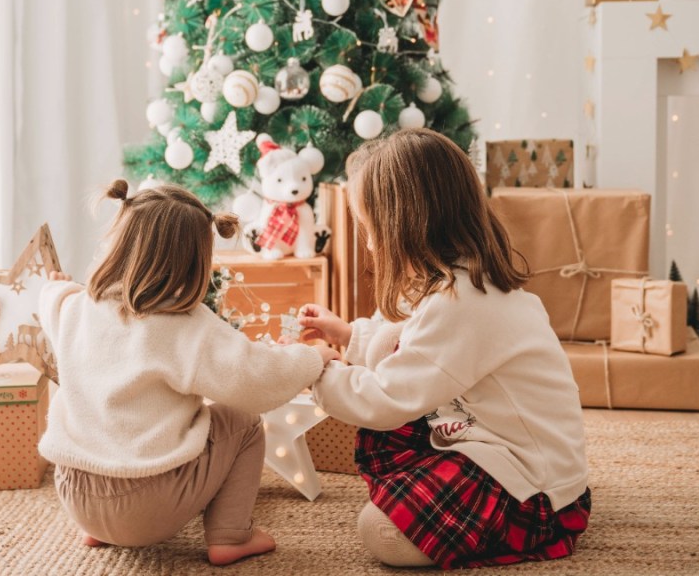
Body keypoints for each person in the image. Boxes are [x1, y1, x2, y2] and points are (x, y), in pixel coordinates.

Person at [298, 129, 591, 570]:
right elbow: (401, 334)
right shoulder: (449, 282)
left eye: (369, 227)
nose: (369, 242)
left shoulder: (464, 303)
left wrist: (317, 371)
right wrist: (347, 337)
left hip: (532, 484)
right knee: (395, 438)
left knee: (382, 532)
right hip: (486, 438)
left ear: (405, 225)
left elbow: (388, 397)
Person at [38, 179, 339, 566]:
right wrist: (311, 356)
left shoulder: (77, 308)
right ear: (194, 260)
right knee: (243, 423)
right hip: (145, 509)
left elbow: (51, 302)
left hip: (75, 493)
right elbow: (256, 378)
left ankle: (100, 531)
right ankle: (232, 534)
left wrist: (54, 288)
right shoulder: (185, 326)